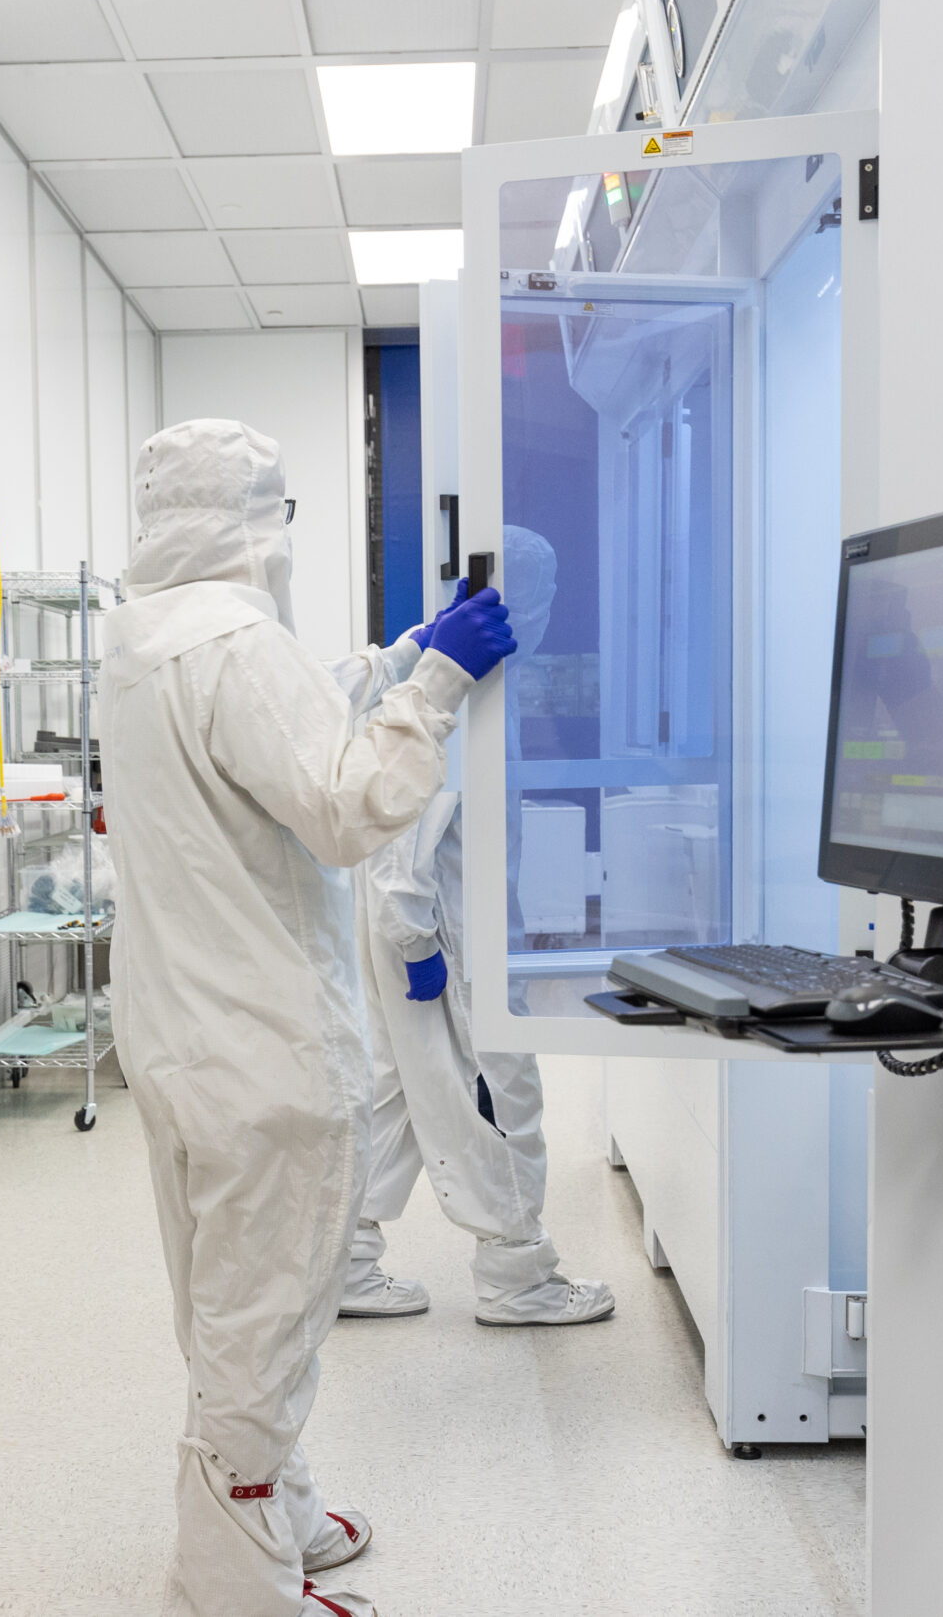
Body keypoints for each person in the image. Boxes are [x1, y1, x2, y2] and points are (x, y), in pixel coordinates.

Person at [97, 419, 517, 1617]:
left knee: (225, 1292)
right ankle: (233, 1583)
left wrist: (392, 661)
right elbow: (343, 803)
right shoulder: (236, 642)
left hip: (182, 1039)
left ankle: (265, 1501)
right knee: (268, 1305)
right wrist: (436, 686)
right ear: (255, 520)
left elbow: (270, 738)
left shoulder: (140, 640)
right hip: (266, 1042)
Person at [339, 527, 615, 1327]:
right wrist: (417, 943)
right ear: (528, 601)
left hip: (430, 929)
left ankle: (346, 1262)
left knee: (396, 1090)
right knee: (503, 1093)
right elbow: (402, 837)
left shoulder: (483, 684)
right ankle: (516, 1273)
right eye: (550, 589)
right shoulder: (468, 695)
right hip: (442, 938)